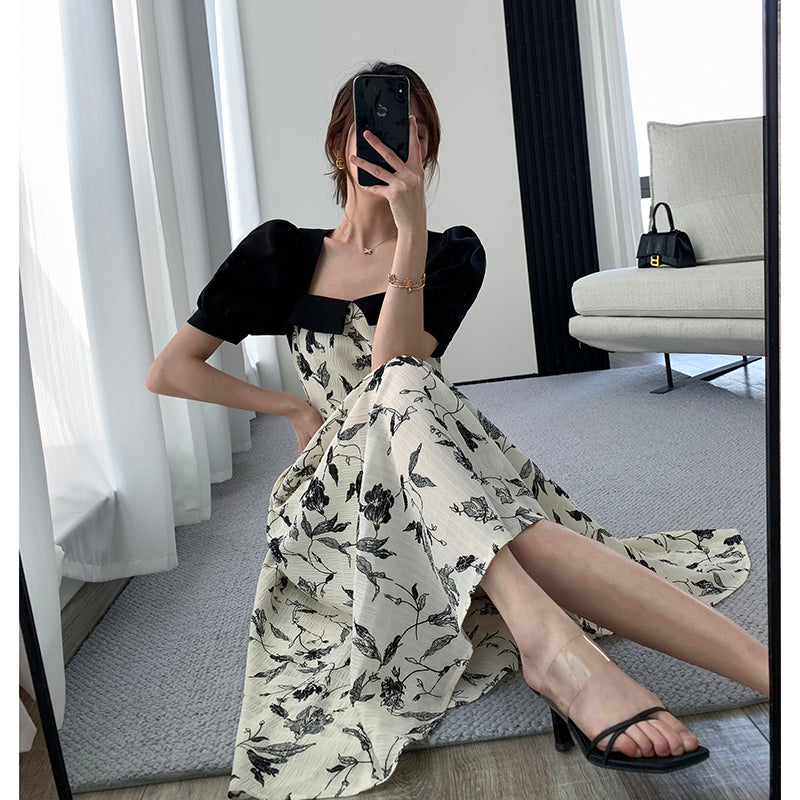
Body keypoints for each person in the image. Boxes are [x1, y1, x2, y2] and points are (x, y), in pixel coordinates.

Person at [146, 61, 769, 799]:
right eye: (375, 128)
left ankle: (752, 669)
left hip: (439, 455)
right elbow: (170, 370)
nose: (393, 143)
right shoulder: (280, 253)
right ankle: (565, 646)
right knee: (494, 505)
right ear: (340, 144)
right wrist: (292, 409)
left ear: (428, 150)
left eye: (412, 133)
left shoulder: (450, 253)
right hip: (340, 489)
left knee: (411, 391)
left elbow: (394, 364)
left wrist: (410, 232)